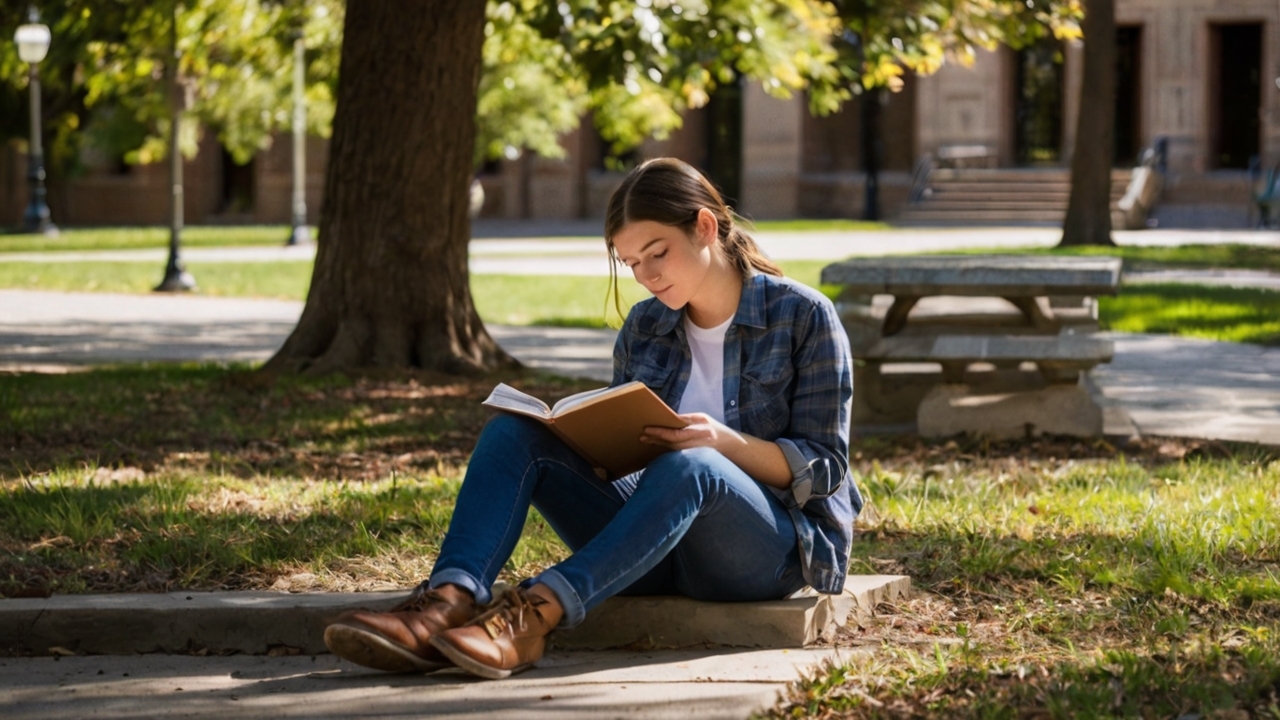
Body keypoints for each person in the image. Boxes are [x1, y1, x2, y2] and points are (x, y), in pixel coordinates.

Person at [323, 157, 863, 680]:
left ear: (703, 227)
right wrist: (589, 441)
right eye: (630, 263)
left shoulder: (802, 315)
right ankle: (446, 603)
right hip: (653, 545)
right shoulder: (647, 324)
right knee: (515, 431)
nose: (645, 277)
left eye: (657, 254)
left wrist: (724, 443)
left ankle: (534, 616)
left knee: (694, 463)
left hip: (759, 554)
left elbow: (825, 466)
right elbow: (624, 459)